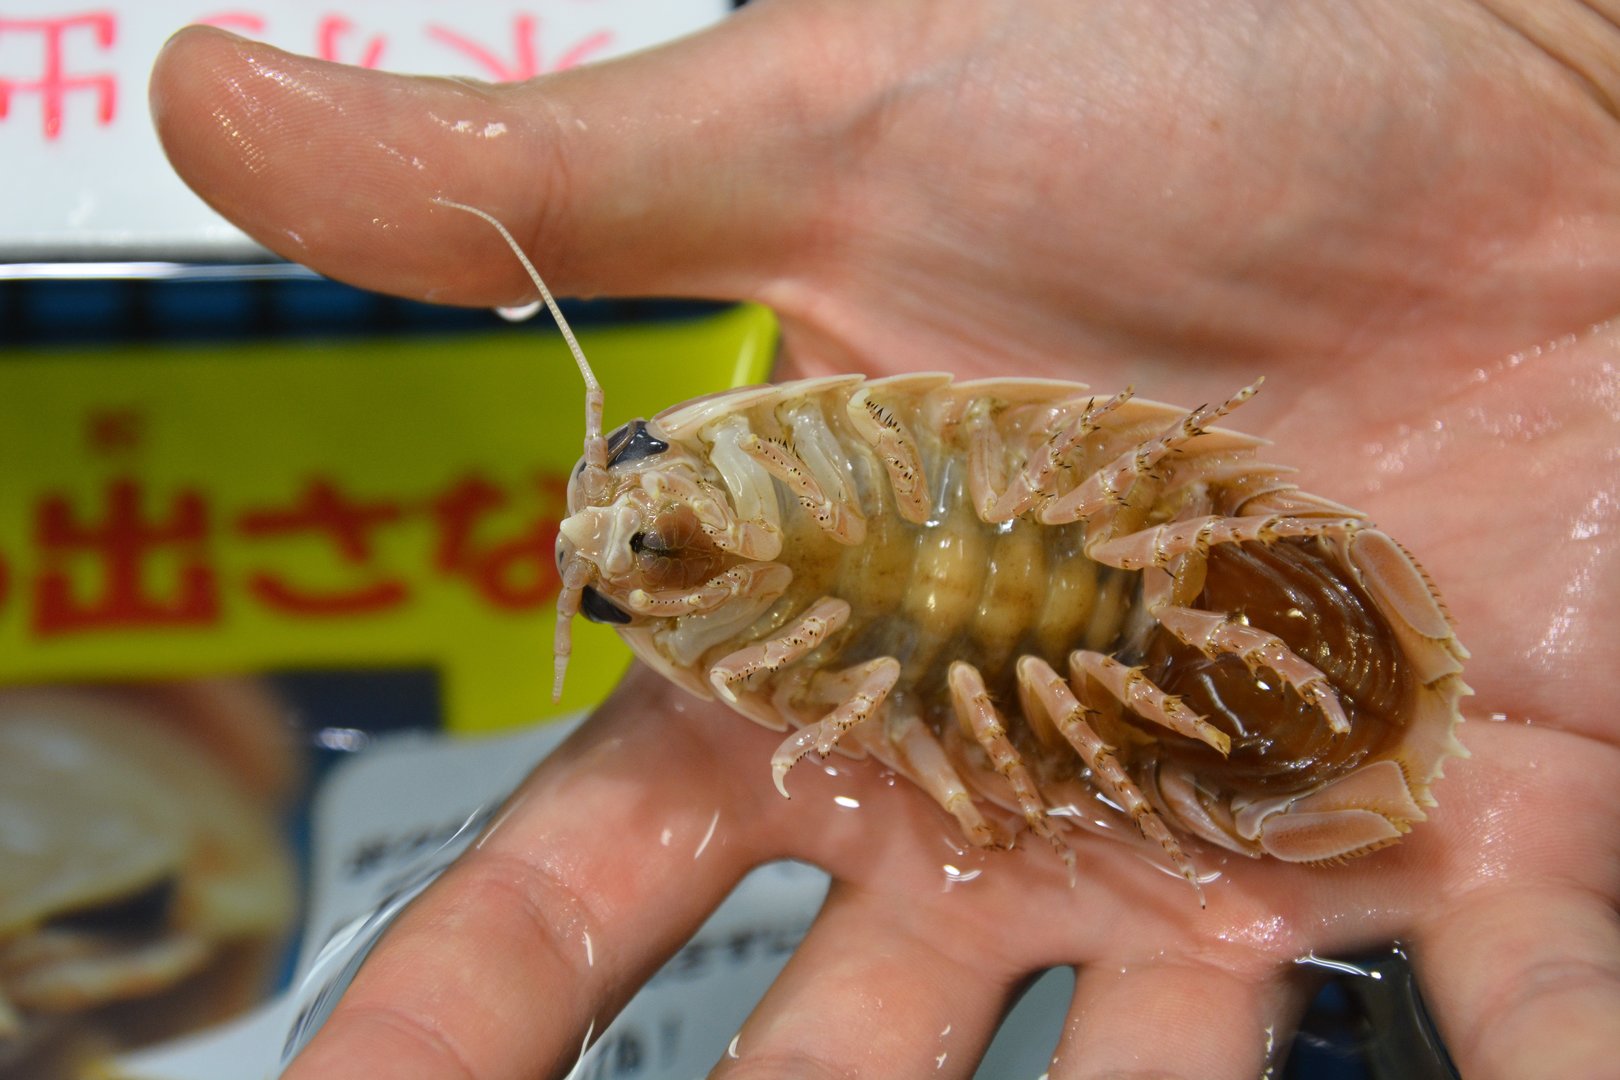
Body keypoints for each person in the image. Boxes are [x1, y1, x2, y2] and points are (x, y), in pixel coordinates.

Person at [148, 3, 1620, 1077]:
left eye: (639, 470)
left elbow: (980, 469)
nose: (640, 520)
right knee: (1090, 718)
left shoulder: (864, 461)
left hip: (1095, 559)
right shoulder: (795, 644)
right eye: (627, 573)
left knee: (1147, 602)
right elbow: (882, 721)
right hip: (1021, 671)